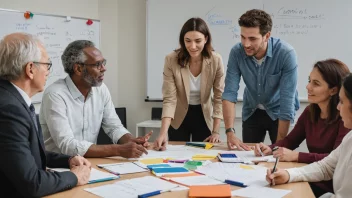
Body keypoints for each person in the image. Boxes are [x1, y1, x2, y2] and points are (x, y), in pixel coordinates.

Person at [0, 33, 91, 197]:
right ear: (30, 69)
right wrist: (74, 177)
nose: (48, 72)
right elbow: (32, 183)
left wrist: (68, 160)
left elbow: (26, 152)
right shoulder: (9, 109)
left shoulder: (12, 99)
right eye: (46, 65)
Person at [40, 40, 152, 158]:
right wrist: (119, 150)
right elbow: (68, 145)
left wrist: (131, 141)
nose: (104, 68)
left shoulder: (101, 89)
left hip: (90, 162)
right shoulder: (55, 95)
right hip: (58, 167)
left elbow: (114, 127)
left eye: (103, 62)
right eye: (97, 64)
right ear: (78, 69)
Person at [255, 59, 350, 197]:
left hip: (328, 185)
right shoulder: (311, 112)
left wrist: (297, 156)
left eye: (316, 84)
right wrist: (270, 148)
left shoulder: (345, 121)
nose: (308, 87)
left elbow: (331, 161)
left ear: (333, 90)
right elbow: (291, 141)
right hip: (313, 177)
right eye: (309, 81)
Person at [222, 9, 300, 150]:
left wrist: (279, 145)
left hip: (279, 112)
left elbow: (287, 100)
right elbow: (229, 93)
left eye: (252, 39)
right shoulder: (236, 52)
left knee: (278, 155)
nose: (246, 44)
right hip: (252, 110)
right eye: (243, 37)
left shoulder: (286, 54)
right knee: (248, 159)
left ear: (266, 36)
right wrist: (229, 131)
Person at [154, 17, 225, 150]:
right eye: (188, 41)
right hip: (179, 116)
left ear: (206, 39)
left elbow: (218, 97)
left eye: (198, 41)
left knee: (204, 159)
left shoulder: (216, 60)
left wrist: (216, 131)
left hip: (204, 115)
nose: (192, 46)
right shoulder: (171, 60)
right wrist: (163, 133)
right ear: (182, 41)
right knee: (175, 156)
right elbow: (169, 99)